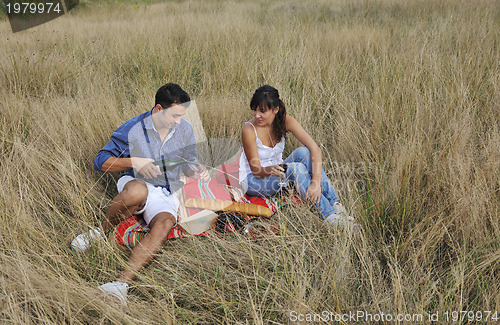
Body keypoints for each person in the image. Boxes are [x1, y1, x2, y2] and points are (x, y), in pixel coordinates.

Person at [71, 83, 209, 304]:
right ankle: (99, 232)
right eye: (174, 116)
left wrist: (196, 170)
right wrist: (135, 161)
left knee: (164, 224)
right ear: (158, 109)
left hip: (167, 189)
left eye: (181, 116)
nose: (179, 121)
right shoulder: (133, 128)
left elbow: (188, 162)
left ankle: (119, 285)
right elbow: (100, 162)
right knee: (136, 191)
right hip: (136, 182)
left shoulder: (186, 129)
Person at [239, 85, 354, 225]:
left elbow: (315, 149)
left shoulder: (286, 121)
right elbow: (256, 170)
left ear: (275, 110)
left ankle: (336, 206)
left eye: (262, 111)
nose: (257, 115)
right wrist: (270, 169)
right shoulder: (249, 130)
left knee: (304, 152)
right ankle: (331, 218)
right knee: (296, 168)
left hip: (277, 171)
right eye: (254, 109)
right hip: (253, 179)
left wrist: (315, 183)